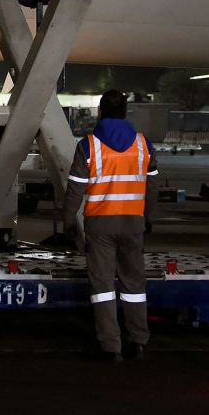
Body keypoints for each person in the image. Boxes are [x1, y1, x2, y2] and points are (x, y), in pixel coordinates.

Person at [62, 89, 158, 361]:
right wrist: (149, 216)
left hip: (100, 225)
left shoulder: (88, 146)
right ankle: (139, 341)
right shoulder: (143, 145)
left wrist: (69, 219)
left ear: (100, 112)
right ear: (126, 112)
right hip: (132, 223)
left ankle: (111, 347)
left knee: (103, 286)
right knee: (134, 285)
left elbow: (75, 189)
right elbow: (152, 187)